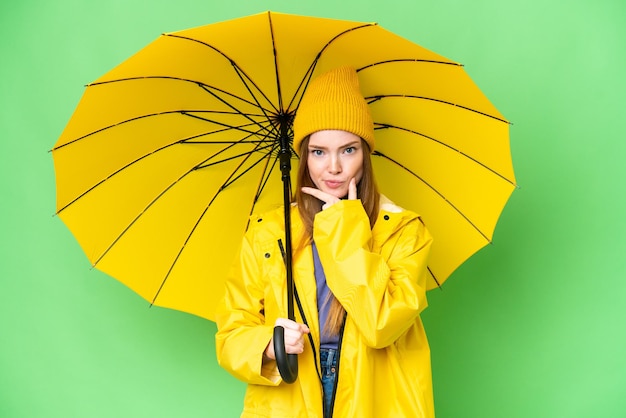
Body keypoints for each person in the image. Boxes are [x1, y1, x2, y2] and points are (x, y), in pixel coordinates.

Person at [215, 66, 434, 417]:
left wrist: (341, 227)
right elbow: (231, 334)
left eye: (348, 150)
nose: (333, 167)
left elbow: (381, 325)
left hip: (373, 394)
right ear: (302, 155)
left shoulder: (403, 230)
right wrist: (269, 345)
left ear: (366, 153)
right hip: (292, 392)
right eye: (318, 151)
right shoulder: (267, 230)